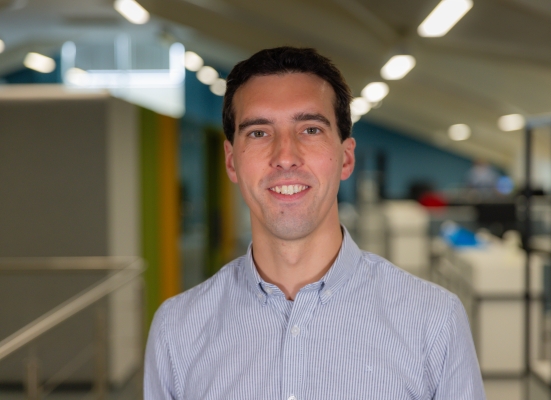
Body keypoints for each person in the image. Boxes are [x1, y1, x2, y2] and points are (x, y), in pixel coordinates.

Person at [144, 47, 485, 399]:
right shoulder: (177, 330)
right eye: (259, 133)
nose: (285, 156)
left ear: (346, 158)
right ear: (232, 162)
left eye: (310, 129)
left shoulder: (433, 321)